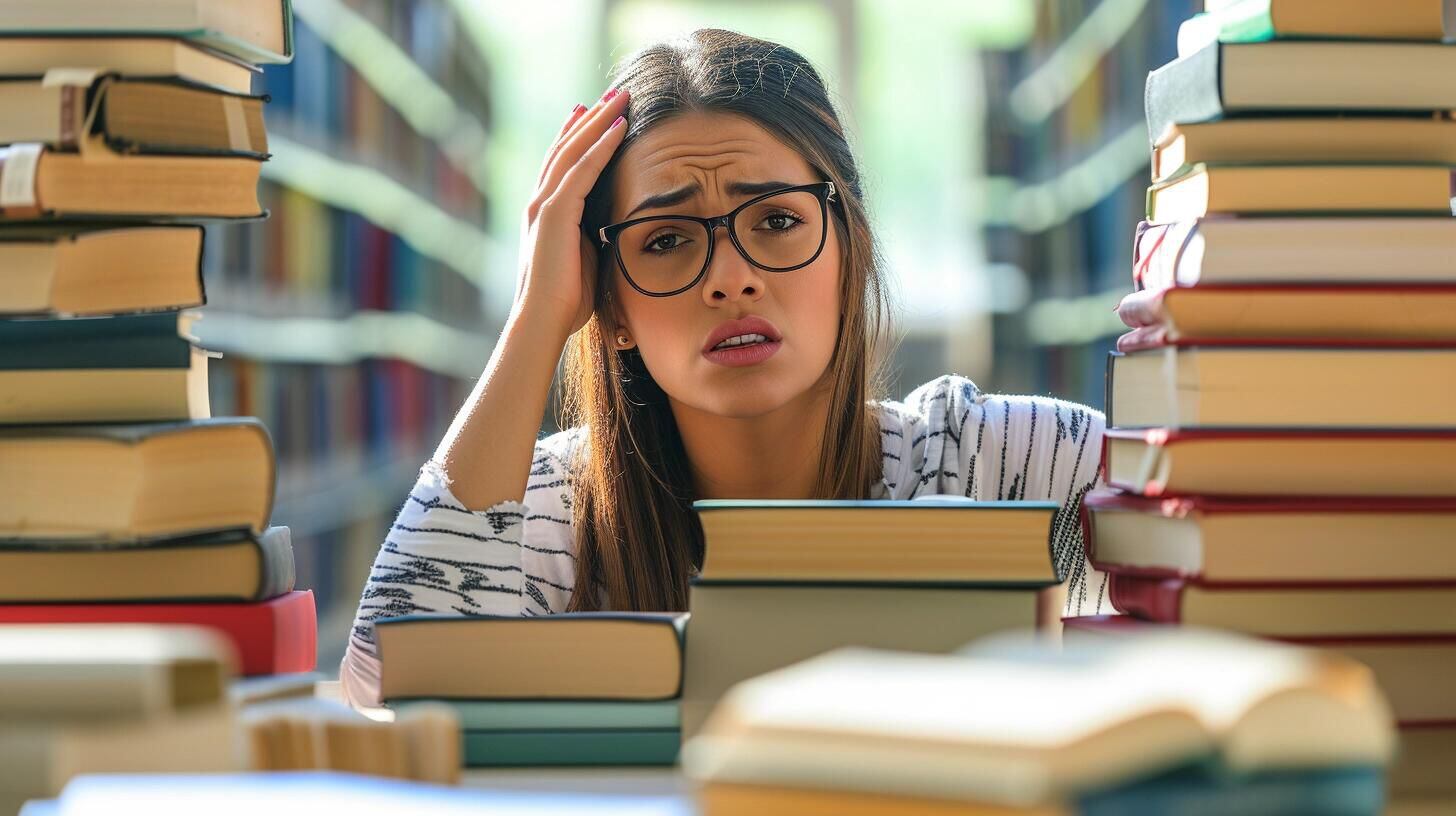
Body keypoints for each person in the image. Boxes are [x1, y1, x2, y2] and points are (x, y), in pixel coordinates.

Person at [341, 28, 1114, 707]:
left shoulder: (997, 464)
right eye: (667, 239)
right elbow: (380, 689)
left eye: (778, 220)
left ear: (849, 252)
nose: (731, 278)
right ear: (610, 308)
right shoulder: (547, 517)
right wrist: (536, 316)